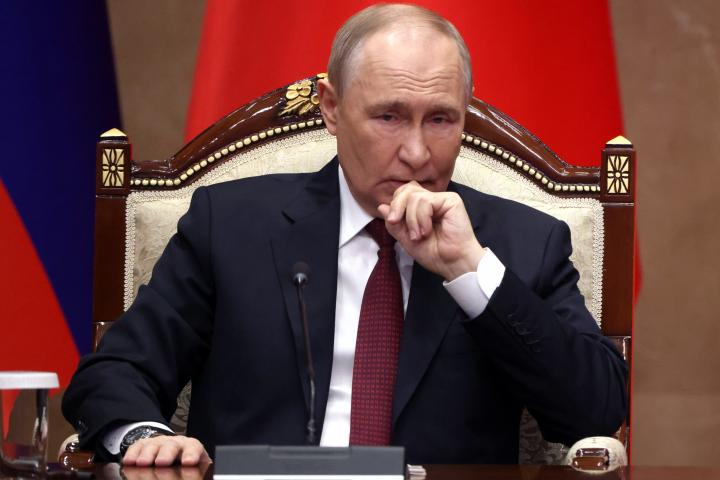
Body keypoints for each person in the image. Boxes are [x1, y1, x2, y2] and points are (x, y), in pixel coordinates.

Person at [62, 4, 628, 467]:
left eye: (440, 119)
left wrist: (470, 270)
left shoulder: (521, 242)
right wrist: (148, 438)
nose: (416, 153)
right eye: (389, 117)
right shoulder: (229, 225)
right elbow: (115, 372)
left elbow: (596, 409)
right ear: (332, 108)